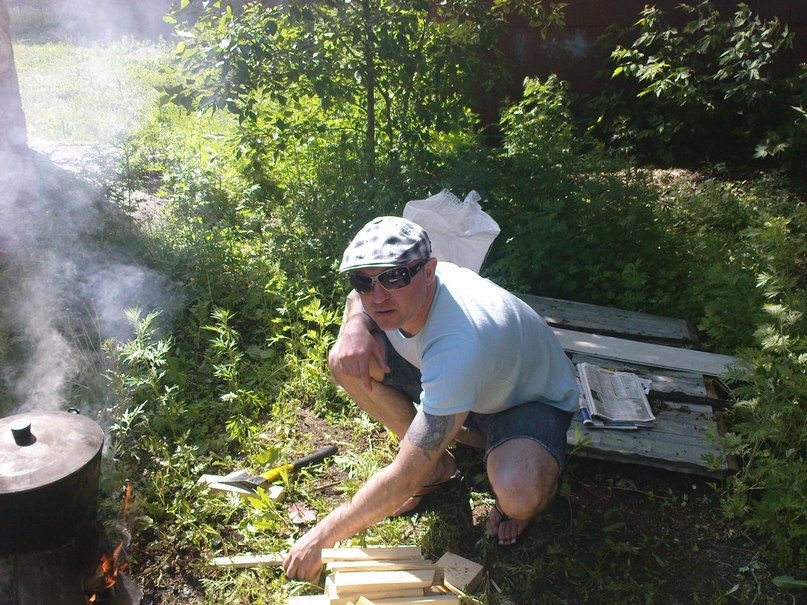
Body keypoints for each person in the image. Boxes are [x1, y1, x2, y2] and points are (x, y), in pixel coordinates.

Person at [282, 216, 579, 582]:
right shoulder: (388, 297)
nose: (377, 296)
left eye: (394, 277)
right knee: (347, 361)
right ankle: (438, 466)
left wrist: (322, 538)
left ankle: (480, 459)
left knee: (519, 494)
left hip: (525, 402)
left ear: (428, 271)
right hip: (465, 382)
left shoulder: (459, 341)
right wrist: (354, 325)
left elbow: (405, 477)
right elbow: (356, 302)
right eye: (363, 280)